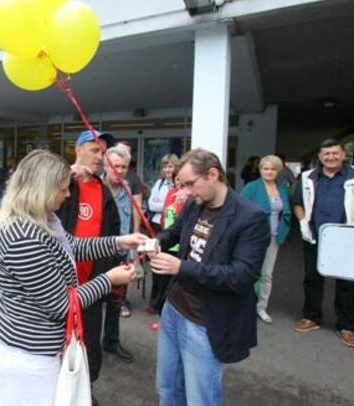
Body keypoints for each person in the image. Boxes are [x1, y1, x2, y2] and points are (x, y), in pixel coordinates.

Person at [0, 149, 140, 406]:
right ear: (41, 190)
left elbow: (74, 246)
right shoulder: (22, 237)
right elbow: (60, 305)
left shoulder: (44, 219)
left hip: (38, 345)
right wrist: (108, 280)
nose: (69, 194)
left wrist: (119, 242)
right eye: (62, 189)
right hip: (28, 352)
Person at [148, 148, 270, 405]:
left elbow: (242, 276)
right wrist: (155, 242)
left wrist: (180, 268)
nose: (187, 192)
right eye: (182, 185)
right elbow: (174, 231)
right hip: (173, 310)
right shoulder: (195, 203)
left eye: (191, 184)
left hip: (205, 321)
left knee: (200, 398)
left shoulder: (251, 217)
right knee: (167, 388)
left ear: (213, 174)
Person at [56, 130, 121, 402]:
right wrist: (63, 177)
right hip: (60, 283)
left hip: (93, 283)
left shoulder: (103, 189)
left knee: (88, 343)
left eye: (103, 151)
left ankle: (85, 390)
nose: (100, 156)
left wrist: (114, 267)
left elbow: (112, 230)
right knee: (57, 343)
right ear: (78, 150)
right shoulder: (61, 184)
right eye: (95, 150)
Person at [291, 139, 354, 347]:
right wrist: (302, 223)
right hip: (314, 235)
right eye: (326, 154)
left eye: (335, 153)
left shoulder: (352, 175)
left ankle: (347, 326)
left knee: (347, 282)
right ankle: (312, 317)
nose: (331, 157)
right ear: (319, 156)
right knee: (312, 278)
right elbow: (298, 202)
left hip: (345, 238)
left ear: (343, 154)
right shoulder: (308, 177)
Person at [241, 155, 291, 324]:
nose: (269, 172)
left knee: (267, 275)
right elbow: (241, 211)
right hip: (253, 237)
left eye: (273, 169)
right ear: (260, 170)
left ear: (278, 171)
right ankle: (244, 306)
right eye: (265, 168)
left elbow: (286, 212)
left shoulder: (282, 188)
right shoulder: (251, 187)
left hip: (273, 236)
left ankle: (261, 308)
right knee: (248, 271)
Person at [102, 145, 136, 363]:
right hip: (95, 253)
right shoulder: (93, 186)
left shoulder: (127, 190)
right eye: (116, 166)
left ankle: (111, 341)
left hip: (119, 253)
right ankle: (84, 344)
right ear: (106, 165)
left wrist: (131, 253)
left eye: (124, 167)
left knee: (116, 302)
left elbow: (129, 222)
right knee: (91, 302)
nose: (120, 170)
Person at [146, 154, 178, 316]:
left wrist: (164, 203)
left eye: (171, 166)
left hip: (175, 228)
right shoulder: (159, 184)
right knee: (157, 266)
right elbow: (152, 204)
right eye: (165, 166)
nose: (168, 170)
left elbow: (177, 206)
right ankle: (155, 302)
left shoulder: (180, 185)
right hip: (159, 226)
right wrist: (166, 203)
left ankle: (168, 303)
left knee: (171, 268)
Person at [115, 141, 145, 318]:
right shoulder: (102, 179)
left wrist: (135, 232)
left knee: (124, 270)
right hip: (104, 239)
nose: (119, 169)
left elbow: (137, 208)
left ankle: (121, 301)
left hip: (124, 236)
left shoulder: (133, 179)